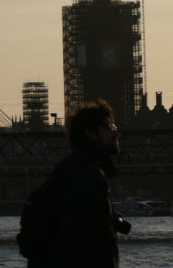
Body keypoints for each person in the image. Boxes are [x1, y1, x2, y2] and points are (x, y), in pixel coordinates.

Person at [47, 99, 125, 267]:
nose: (116, 133)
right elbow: (84, 239)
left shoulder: (72, 168)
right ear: (90, 132)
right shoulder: (88, 175)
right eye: (109, 127)